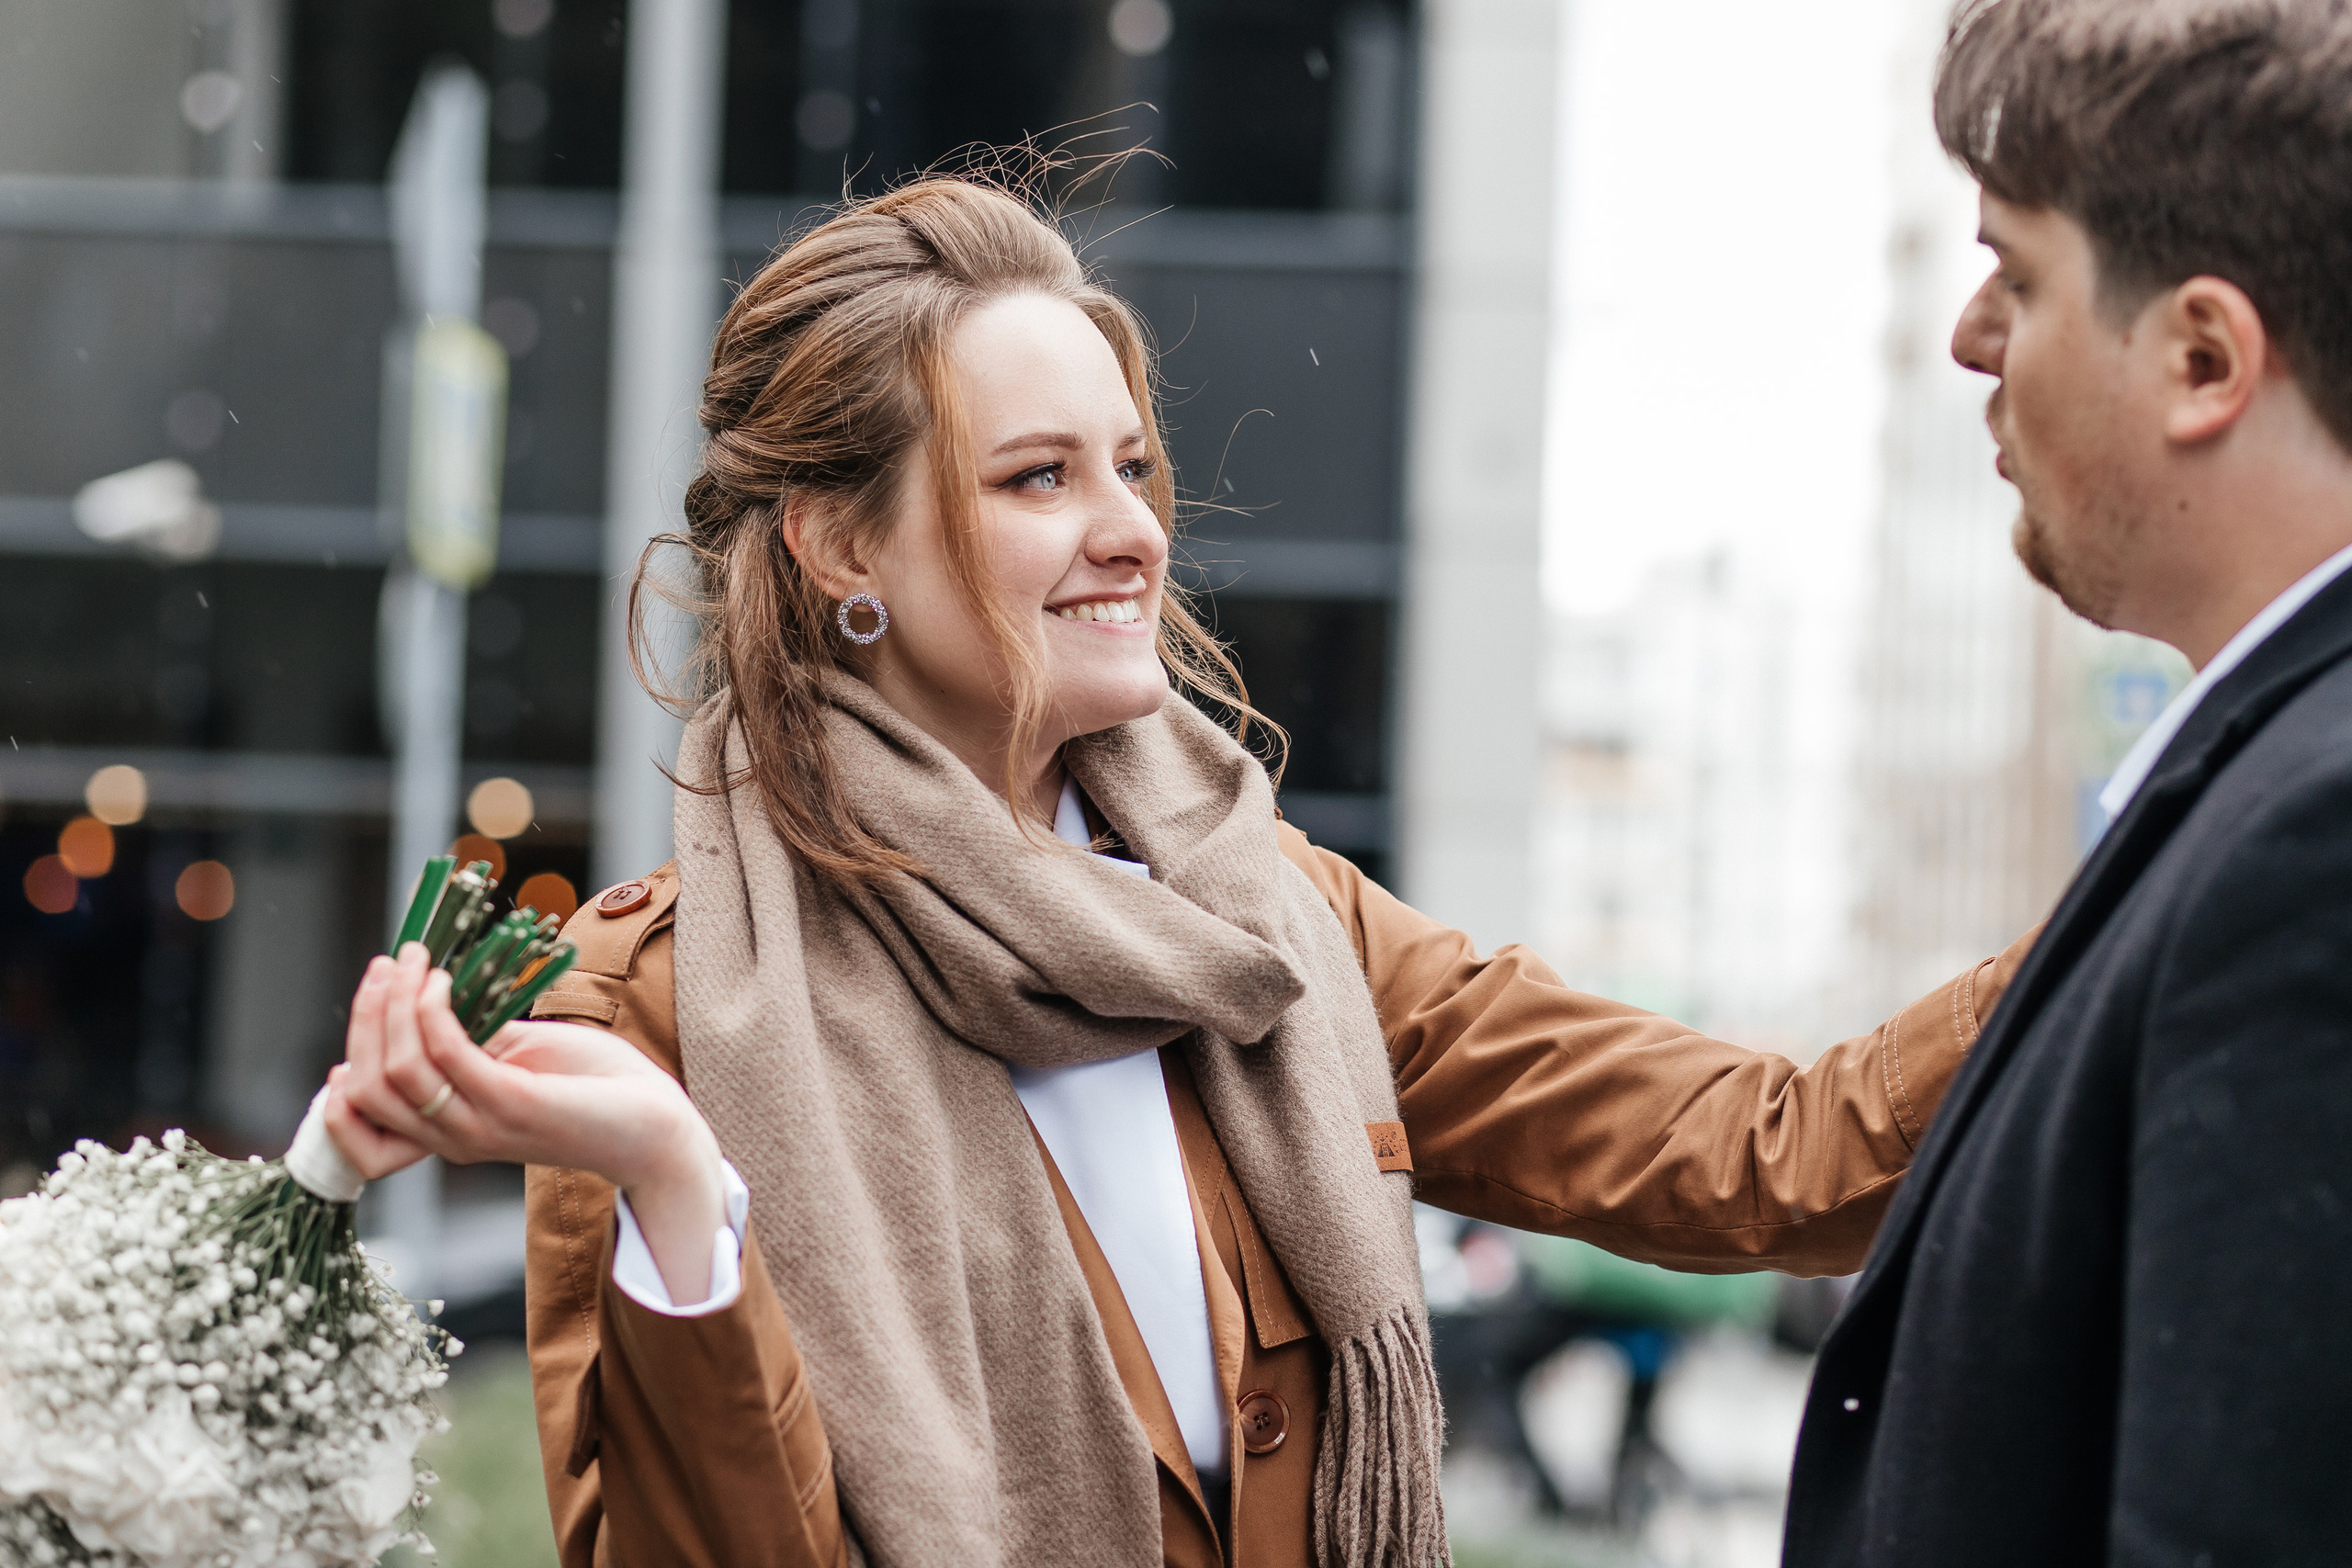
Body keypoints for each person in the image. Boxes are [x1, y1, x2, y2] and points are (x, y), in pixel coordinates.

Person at [322, 175, 2032, 1568]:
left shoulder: (1268, 921)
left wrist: (2162, 878)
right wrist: (675, 1195)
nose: (1132, 526)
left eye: (1131, 466)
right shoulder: (654, 1011)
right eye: (1038, 477)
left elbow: (1780, 1159)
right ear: (841, 544)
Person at [1782, 3, 2352, 1563]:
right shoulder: (2271, 775)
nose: (1972, 336)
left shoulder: (2316, 840)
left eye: (2018, 274)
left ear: (2202, 358)